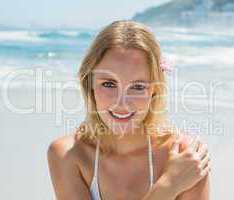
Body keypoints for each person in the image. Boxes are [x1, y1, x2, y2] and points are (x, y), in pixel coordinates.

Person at [47, 20, 211, 200]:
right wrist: (168, 186)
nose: (122, 103)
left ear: (154, 89)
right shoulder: (68, 154)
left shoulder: (185, 157)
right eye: (109, 84)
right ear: (90, 83)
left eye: (138, 87)